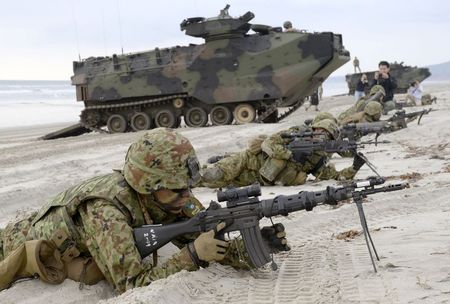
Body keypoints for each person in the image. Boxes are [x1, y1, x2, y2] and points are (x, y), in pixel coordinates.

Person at [0, 128, 287, 293]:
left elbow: (206, 239)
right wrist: (191, 256)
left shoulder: (171, 197)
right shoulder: (106, 211)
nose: (187, 195)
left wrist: (255, 245)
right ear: (150, 184)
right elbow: (130, 285)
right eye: (178, 188)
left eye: (188, 186)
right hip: (14, 244)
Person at [201, 119, 366, 188]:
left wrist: (354, 167)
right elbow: (268, 143)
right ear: (315, 128)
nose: (321, 136)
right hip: (249, 160)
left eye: (327, 136)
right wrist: (289, 155)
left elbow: (334, 177)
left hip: (258, 179)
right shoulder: (297, 133)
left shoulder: (317, 157)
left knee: (215, 184)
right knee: (212, 175)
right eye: (320, 131)